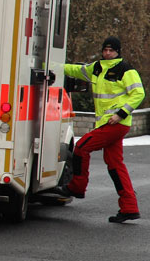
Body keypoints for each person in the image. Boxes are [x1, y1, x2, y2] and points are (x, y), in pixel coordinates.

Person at [58, 36, 144, 222]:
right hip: (107, 124)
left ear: (117, 52)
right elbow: (76, 70)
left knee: (81, 147)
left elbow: (139, 93)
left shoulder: (126, 70)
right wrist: (52, 64)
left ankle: (77, 188)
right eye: (105, 50)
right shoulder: (96, 67)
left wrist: (121, 113)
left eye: (111, 51)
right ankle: (129, 207)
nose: (107, 53)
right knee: (115, 165)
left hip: (116, 124)